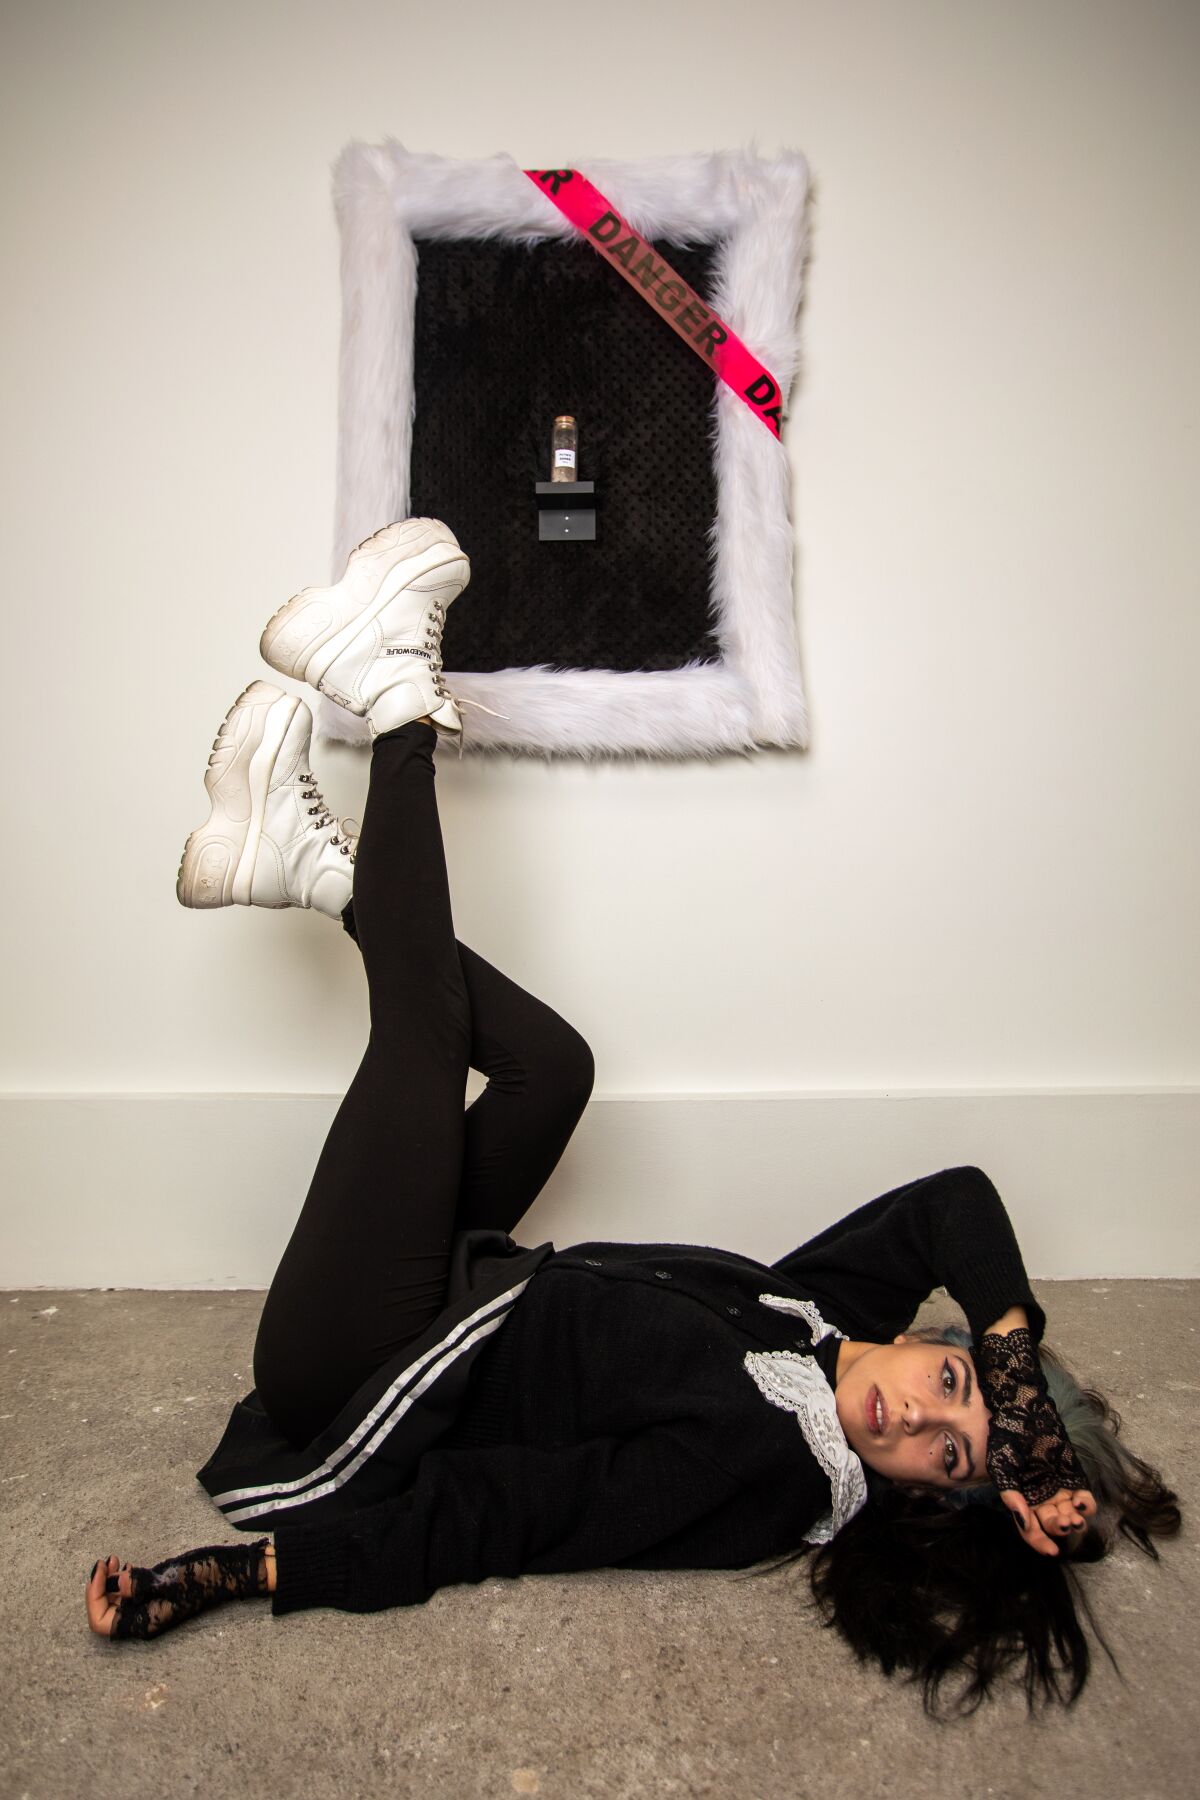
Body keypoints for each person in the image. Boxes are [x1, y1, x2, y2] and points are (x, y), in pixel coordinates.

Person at [84, 521, 1180, 1715]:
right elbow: (953, 1202)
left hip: (356, 1367)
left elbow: (522, 1520)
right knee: (553, 1069)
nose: (918, 1414)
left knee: (423, 1039)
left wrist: (240, 1574)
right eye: (956, 1390)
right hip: (451, 1290)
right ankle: (324, 875)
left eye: (947, 1456)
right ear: (951, 1347)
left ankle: (389, 697)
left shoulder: (772, 1472)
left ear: (922, 1492)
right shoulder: (827, 1325)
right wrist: (1018, 1377)